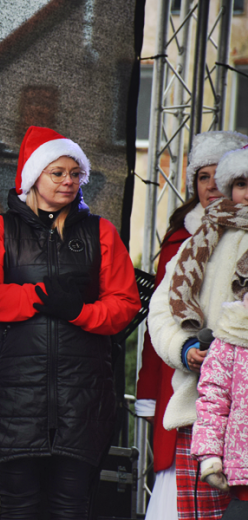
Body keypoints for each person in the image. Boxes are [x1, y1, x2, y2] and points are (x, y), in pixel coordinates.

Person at [0, 126, 141, 519]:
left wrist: (78, 311)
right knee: (19, 506)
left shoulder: (101, 232)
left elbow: (125, 305)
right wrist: (38, 297)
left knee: (71, 506)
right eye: (57, 172)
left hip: (82, 399)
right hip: (12, 396)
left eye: (75, 173)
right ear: (34, 176)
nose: (68, 181)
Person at [136, 131, 247, 519]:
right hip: (203, 410)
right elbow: (162, 312)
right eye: (239, 184)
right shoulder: (194, 243)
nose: (243, 193)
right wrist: (185, 349)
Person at [191, 150, 248, 518]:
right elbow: (214, 396)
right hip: (242, 477)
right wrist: (210, 456)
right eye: (242, 184)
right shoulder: (235, 328)